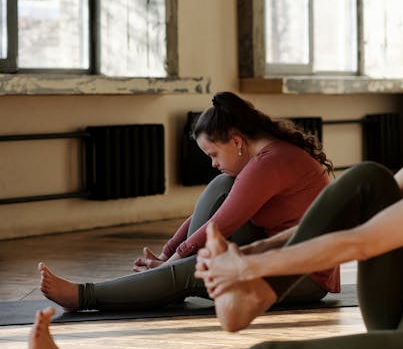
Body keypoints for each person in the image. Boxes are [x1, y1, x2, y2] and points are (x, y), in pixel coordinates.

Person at [29, 22, 403, 349]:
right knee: (368, 179)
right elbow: (331, 223)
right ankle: (252, 298)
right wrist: (245, 255)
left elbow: (361, 243)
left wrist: (246, 267)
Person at [38, 91, 339, 313]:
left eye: (213, 155)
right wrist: (168, 254)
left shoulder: (270, 162)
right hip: (274, 250)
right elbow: (216, 214)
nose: (212, 163)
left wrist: (172, 262)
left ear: (237, 142)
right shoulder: (267, 156)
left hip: (305, 278)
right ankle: (169, 276)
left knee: (199, 267)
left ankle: (84, 296)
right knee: (223, 184)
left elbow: (220, 225)